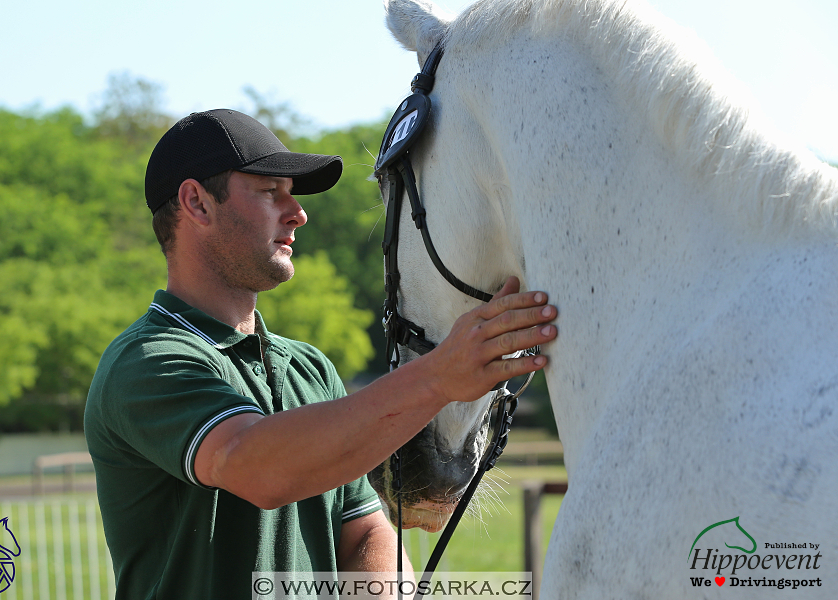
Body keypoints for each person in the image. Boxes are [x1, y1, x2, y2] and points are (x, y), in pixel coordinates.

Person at [84, 109, 558, 599]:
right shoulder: (145, 361)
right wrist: (439, 376)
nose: (298, 212)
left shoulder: (310, 369)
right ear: (196, 203)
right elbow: (256, 465)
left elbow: (366, 531)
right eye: (271, 192)